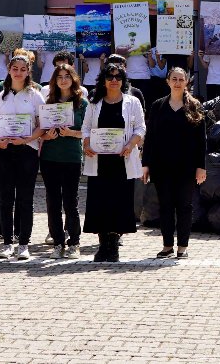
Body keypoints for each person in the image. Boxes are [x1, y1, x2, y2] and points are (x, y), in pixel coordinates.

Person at [82, 63, 146, 262]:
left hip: (122, 160)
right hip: (99, 161)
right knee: (100, 203)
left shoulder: (133, 102)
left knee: (119, 203)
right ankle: (103, 245)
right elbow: (85, 128)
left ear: (123, 81)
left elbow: (141, 129)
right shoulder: (94, 102)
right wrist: (86, 143)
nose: (114, 80)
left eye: (118, 77)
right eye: (110, 77)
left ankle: (114, 245)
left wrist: (130, 145)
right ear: (104, 80)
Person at [143, 67, 206, 259]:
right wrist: (146, 164)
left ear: (186, 82)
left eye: (181, 79)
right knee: (166, 206)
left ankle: (183, 247)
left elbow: (201, 140)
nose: (177, 82)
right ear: (168, 81)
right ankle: (167, 245)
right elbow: (150, 137)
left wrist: (201, 167)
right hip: (162, 165)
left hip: (186, 166)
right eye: (174, 79)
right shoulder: (158, 106)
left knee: (185, 206)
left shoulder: (195, 106)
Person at [0, 55, 45, 260]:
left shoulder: (35, 95)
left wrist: (28, 139)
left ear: (28, 71)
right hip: (4, 153)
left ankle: (23, 244)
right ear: (8, 69)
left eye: (23, 69)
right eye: (15, 68)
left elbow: (42, 125)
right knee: (5, 199)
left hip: (27, 151)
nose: (19, 72)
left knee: (25, 199)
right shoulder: (0, 96)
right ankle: (7, 243)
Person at [40, 64, 88, 259]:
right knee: (52, 202)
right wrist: (47, 136)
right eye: (59, 76)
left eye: (67, 76)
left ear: (73, 78)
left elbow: (87, 131)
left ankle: (74, 242)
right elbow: (39, 130)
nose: (63, 80)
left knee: (71, 202)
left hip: (71, 157)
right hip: (50, 157)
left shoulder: (82, 103)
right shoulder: (47, 102)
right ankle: (57, 242)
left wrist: (71, 133)